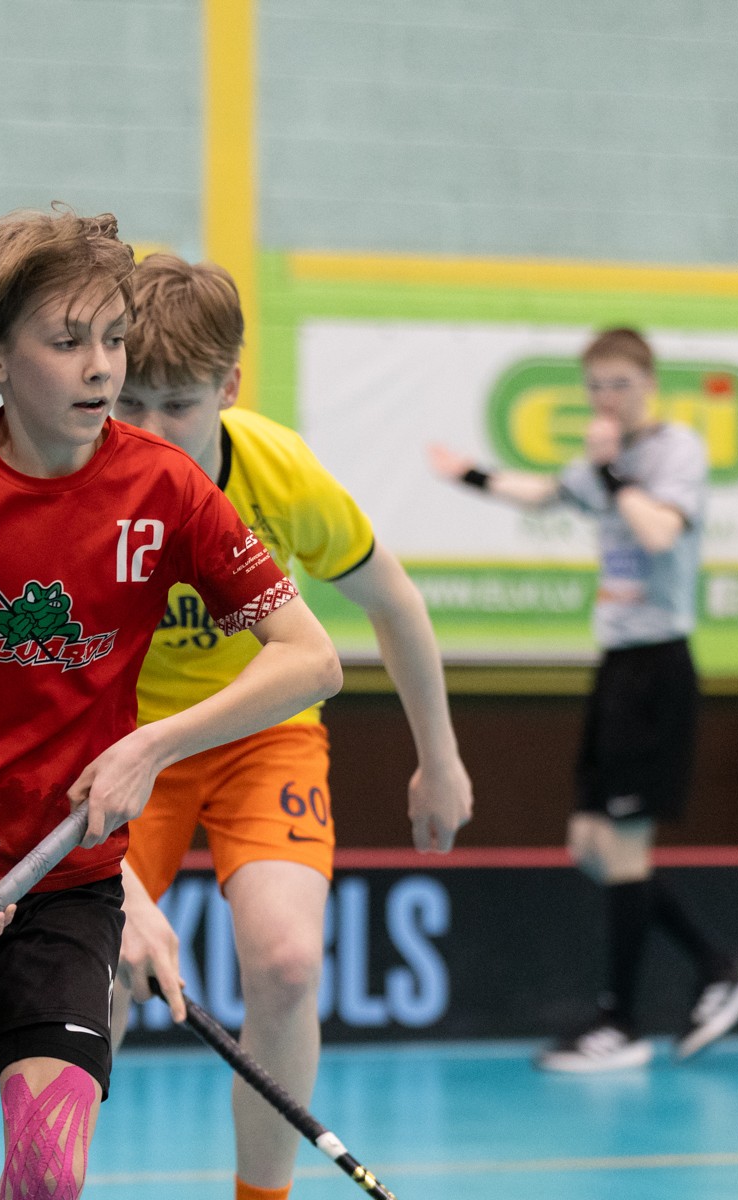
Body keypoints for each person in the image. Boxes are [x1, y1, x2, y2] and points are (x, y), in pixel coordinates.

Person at [0, 209, 343, 1200]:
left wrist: (154, 744)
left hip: (62, 879)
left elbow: (311, 660)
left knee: (49, 1177)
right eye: (67, 342)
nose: (101, 368)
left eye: (113, 339)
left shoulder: (166, 490)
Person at [108, 253, 474, 1200]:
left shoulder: (279, 472)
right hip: (121, 743)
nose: (150, 430)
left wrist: (439, 759)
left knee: (285, 963)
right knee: (93, 974)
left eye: (179, 405)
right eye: (130, 401)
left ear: (228, 388)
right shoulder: (77, 482)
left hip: (261, 735)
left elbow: (393, 603)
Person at [429, 326, 738, 1072]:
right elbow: (545, 493)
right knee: (591, 847)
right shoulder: (600, 463)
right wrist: (470, 476)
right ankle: (719, 964)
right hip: (617, 666)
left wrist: (613, 470)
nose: (607, 398)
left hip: (658, 667)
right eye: (595, 387)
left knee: (622, 848)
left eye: (620, 383)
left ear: (649, 383)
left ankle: (621, 1023)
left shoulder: (674, 451)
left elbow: (657, 534)